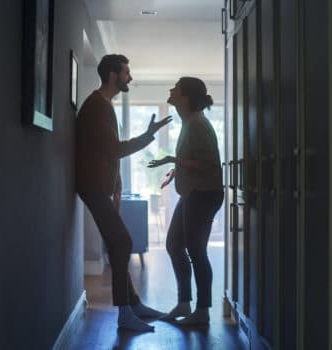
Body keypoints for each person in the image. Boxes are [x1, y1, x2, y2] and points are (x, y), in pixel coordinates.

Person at [76, 54, 171, 332]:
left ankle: (134, 306)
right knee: (123, 242)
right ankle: (126, 314)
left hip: (98, 188)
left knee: (119, 244)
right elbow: (114, 150)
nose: (130, 77)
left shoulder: (104, 105)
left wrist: (116, 188)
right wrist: (148, 134)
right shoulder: (97, 107)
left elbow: (107, 152)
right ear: (113, 75)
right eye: (126, 72)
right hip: (92, 187)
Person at [148, 77, 224, 326]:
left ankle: (202, 311)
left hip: (204, 194)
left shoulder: (197, 124)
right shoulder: (189, 122)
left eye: (176, 87)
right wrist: (176, 171)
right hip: (194, 193)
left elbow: (209, 165)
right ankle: (184, 303)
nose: (171, 89)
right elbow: (194, 160)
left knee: (196, 251)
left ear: (186, 96)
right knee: (173, 244)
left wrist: (172, 160)